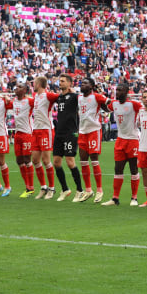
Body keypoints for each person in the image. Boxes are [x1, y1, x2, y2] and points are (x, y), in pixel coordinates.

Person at [102, 83, 142, 206]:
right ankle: (115, 198)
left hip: (133, 139)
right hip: (120, 140)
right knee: (118, 169)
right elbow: (106, 108)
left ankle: (134, 198)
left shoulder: (133, 104)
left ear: (126, 92)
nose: (117, 92)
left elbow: (146, 107)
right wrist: (98, 99)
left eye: (119, 90)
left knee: (133, 169)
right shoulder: (114, 104)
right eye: (116, 90)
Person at [77, 77, 110, 203]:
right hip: (82, 132)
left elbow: (109, 104)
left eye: (85, 83)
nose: (82, 84)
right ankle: (88, 190)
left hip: (94, 131)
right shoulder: (79, 97)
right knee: (83, 161)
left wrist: (106, 105)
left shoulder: (97, 97)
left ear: (91, 86)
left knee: (94, 160)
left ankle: (99, 190)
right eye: (82, 82)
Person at [52, 74, 83, 202]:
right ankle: (65, 189)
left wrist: (75, 92)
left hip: (70, 133)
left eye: (63, 81)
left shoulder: (75, 97)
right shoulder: (59, 98)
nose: (60, 83)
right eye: (60, 81)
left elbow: (83, 100)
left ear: (69, 83)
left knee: (70, 162)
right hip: (59, 133)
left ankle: (80, 190)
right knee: (56, 162)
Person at [32, 76, 59, 199]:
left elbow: (60, 97)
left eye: (35, 82)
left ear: (39, 84)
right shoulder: (35, 96)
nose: (33, 84)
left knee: (46, 160)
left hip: (46, 130)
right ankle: (43, 187)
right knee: (35, 160)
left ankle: (52, 188)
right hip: (36, 130)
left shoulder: (48, 96)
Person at [11, 83, 36, 198]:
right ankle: (27, 186)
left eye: (20, 87)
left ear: (25, 90)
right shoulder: (14, 101)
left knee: (27, 159)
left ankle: (30, 187)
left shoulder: (30, 101)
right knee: (19, 160)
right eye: (16, 86)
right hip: (18, 134)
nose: (17, 88)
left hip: (27, 133)